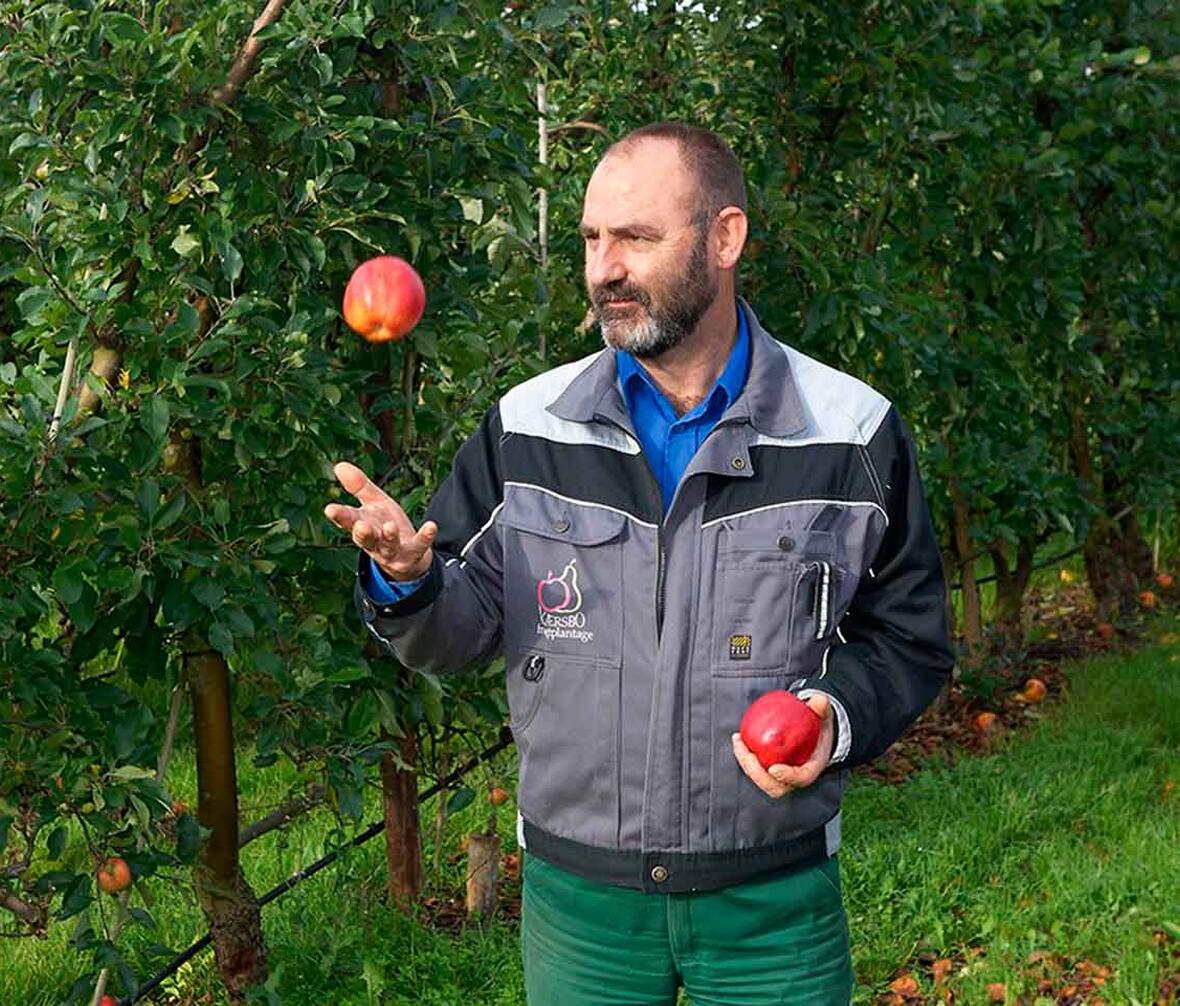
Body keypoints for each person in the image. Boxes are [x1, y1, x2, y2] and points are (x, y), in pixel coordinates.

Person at [324, 122, 953, 1006]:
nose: (604, 268)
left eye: (637, 238)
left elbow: (909, 638)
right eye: (590, 238)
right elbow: (460, 632)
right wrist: (407, 579)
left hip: (771, 904)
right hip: (583, 908)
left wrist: (837, 714)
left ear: (724, 238)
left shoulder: (846, 433)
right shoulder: (529, 429)